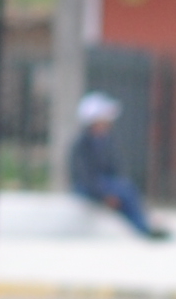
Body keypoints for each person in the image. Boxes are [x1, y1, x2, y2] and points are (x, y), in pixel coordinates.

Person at [66, 93, 168, 240]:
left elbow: (114, 170)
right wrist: (104, 195)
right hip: (90, 187)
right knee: (124, 191)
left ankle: (144, 225)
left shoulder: (106, 141)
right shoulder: (82, 144)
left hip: (104, 184)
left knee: (127, 190)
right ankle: (143, 227)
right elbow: (83, 176)